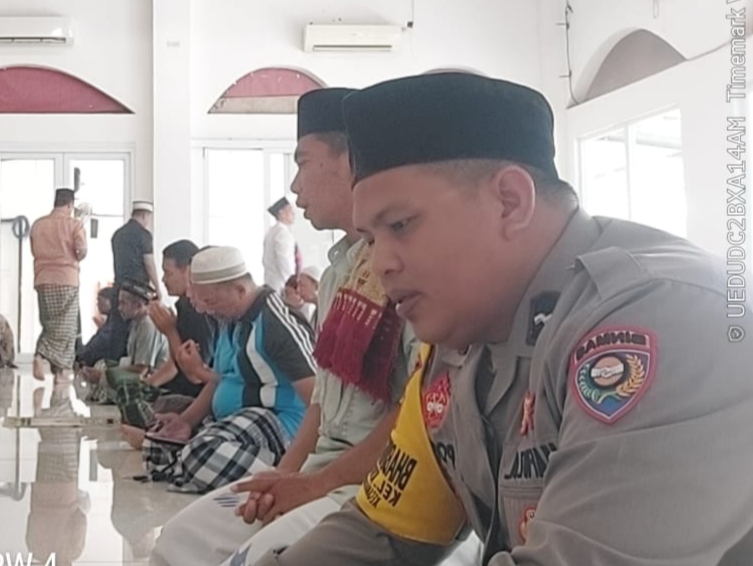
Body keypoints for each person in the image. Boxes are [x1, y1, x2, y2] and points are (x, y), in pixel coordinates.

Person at [250, 73, 753, 566]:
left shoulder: (665, 320)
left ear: (510, 202)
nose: (380, 263)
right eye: (371, 238)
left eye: (400, 225)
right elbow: (384, 532)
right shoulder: (458, 347)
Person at [150, 88, 437, 566]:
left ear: (350, 160)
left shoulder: (409, 271)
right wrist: (283, 478)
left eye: (303, 162)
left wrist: (312, 484)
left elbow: (415, 412)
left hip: (370, 483)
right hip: (320, 470)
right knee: (178, 541)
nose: (295, 185)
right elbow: (322, 401)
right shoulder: (339, 274)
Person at [141, 246, 317, 495]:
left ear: (240, 290)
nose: (203, 309)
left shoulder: (276, 323)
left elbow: (318, 401)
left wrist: (289, 469)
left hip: (279, 424)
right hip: (237, 423)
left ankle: (277, 477)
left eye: (209, 301)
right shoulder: (230, 319)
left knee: (201, 453)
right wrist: (185, 421)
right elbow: (221, 381)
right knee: (157, 446)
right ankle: (193, 467)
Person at [119, 239, 215, 444]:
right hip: (187, 390)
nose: (163, 279)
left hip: (194, 395)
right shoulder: (185, 306)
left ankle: (154, 439)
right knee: (128, 393)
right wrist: (148, 384)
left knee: (146, 407)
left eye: (167, 273)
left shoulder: (198, 311)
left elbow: (195, 376)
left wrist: (170, 331)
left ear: (187, 271)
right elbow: (175, 363)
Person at [30, 188, 87, 382]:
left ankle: (56, 369)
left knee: (50, 324)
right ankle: (46, 359)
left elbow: (34, 250)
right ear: (70, 205)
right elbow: (81, 250)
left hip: (42, 280)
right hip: (66, 280)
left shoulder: (38, 225)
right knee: (67, 328)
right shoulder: (74, 224)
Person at [111, 200, 162, 299]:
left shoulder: (117, 234)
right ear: (144, 215)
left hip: (119, 288)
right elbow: (149, 263)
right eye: (148, 217)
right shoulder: (144, 235)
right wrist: (157, 287)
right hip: (137, 290)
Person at [76, 287, 129, 368]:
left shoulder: (114, 325)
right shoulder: (108, 322)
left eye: (100, 300)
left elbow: (98, 344)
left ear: (109, 301)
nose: (97, 304)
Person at [263, 197, 300, 292]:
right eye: (290, 210)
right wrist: (292, 284)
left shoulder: (271, 231)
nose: (293, 214)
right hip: (281, 285)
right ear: (281, 213)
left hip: (271, 283)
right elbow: (284, 260)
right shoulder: (282, 233)